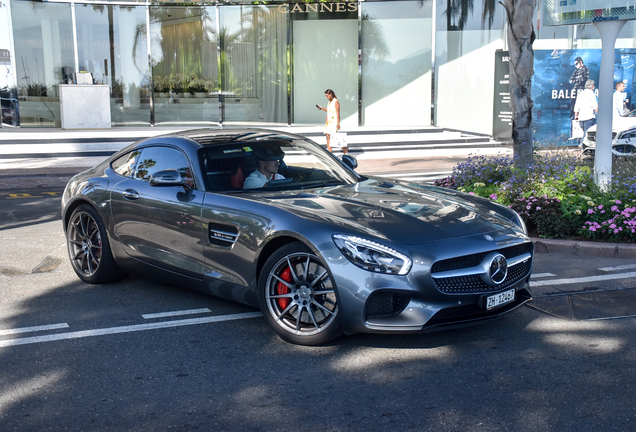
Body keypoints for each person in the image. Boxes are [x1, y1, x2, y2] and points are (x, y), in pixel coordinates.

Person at [316, 89, 347, 154]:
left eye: (327, 96)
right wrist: (321, 108)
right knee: (327, 136)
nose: (326, 97)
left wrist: (338, 123)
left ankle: (345, 148)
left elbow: (338, 113)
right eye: (325, 96)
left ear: (331, 94)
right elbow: (329, 110)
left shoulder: (336, 101)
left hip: (334, 121)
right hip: (329, 121)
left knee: (334, 137)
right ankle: (329, 152)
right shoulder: (329, 102)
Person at [573, 79, 598, 146]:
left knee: (585, 131)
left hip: (581, 117)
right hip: (589, 117)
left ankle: (583, 144)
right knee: (587, 132)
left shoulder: (580, 94)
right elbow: (594, 106)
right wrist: (599, 114)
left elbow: (576, 105)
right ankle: (582, 144)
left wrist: (576, 115)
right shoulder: (592, 94)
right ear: (592, 86)